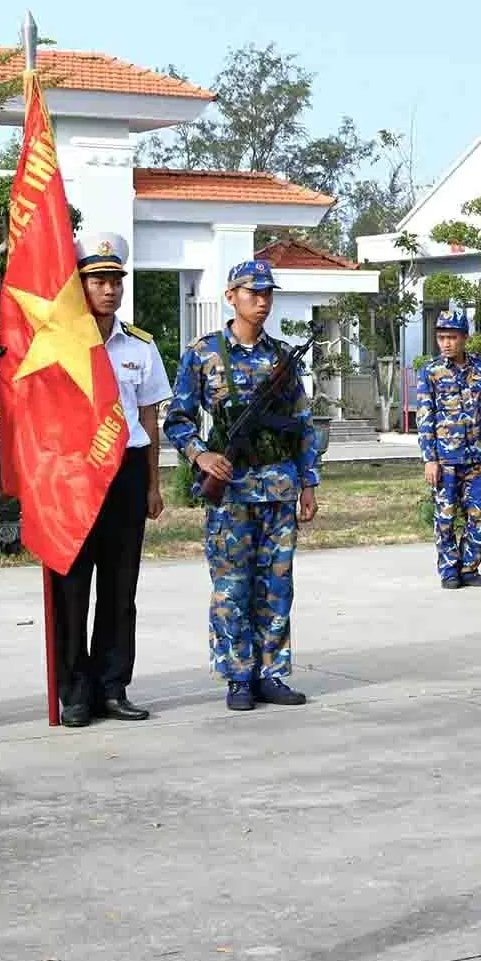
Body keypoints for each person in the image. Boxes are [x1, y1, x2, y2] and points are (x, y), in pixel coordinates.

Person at [165, 260, 321, 711]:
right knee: (231, 586)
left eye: (268, 292)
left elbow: (303, 426)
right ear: (230, 296)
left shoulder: (282, 357)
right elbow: (177, 417)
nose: (263, 300)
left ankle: (271, 673)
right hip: (231, 491)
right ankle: (238, 676)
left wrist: (308, 484)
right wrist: (201, 455)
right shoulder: (204, 352)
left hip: (278, 489)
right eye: (253, 292)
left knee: (277, 585)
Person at [50, 234, 173, 727]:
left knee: (121, 590)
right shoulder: (58, 348)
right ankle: (75, 691)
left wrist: (151, 485)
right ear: (80, 286)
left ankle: (113, 686)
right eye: (98, 280)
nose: (109, 289)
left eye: (115, 281)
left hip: (124, 472)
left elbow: (148, 416)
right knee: (73, 588)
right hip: (75, 477)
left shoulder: (139, 346)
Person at [414, 309, 481, 588]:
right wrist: (430, 459)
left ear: (465, 338)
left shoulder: (479, 370)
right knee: (446, 516)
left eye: (452, 337)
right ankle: (449, 569)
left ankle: (470, 568)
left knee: (479, 515)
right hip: (446, 458)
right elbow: (425, 417)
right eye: (441, 337)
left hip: (475, 457)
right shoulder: (431, 372)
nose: (446, 343)